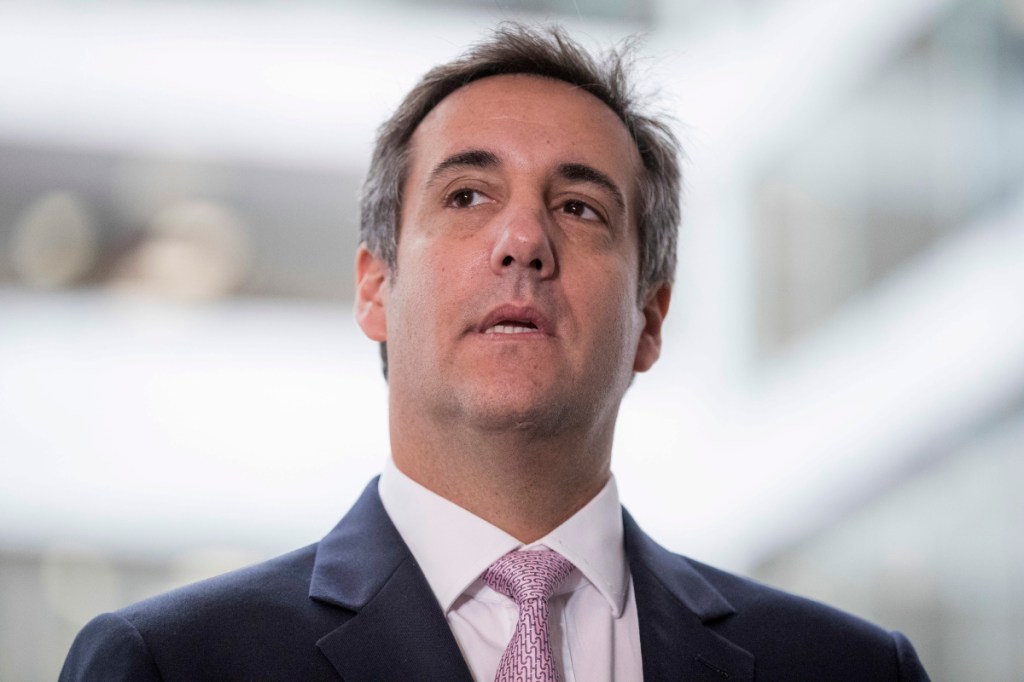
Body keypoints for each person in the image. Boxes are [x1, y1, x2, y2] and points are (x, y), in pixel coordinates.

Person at [60, 23, 930, 681]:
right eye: (469, 195)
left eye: (581, 208)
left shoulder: (850, 670)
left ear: (651, 318)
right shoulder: (172, 666)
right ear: (374, 288)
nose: (523, 240)